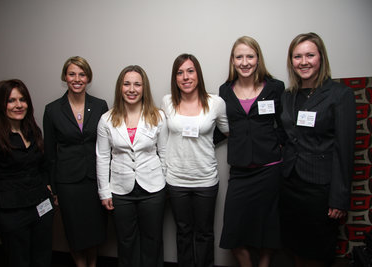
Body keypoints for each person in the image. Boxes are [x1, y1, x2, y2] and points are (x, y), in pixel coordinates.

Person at [280, 32, 356, 267]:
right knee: (293, 247)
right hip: (290, 184)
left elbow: (345, 149)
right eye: (297, 56)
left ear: (321, 57)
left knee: (317, 252)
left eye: (309, 55)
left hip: (320, 190)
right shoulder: (288, 95)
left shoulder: (339, 94)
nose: (303, 62)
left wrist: (339, 198)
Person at [215, 36, 285, 267]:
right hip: (240, 171)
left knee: (269, 227)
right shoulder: (224, 91)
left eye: (250, 56)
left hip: (270, 169)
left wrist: (280, 145)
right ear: (233, 61)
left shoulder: (275, 87)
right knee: (234, 230)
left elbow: (285, 124)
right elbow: (220, 127)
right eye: (239, 57)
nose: (245, 62)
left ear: (258, 59)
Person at [0, 79, 54, 267]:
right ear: (0, 105)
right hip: (12, 213)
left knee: (43, 258)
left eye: (22, 99)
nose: (19, 105)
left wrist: (48, 192)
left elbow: (43, 167)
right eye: (11, 100)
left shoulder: (33, 132)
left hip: (41, 208)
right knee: (19, 261)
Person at [161, 53, 229, 267]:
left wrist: (205, 140)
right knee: (183, 232)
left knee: (205, 233)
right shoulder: (168, 102)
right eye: (180, 73)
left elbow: (227, 131)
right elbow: (163, 138)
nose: (185, 77)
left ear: (198, 74)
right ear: (175, 78)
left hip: (205, 180)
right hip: (176, 180)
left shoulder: (215, 103)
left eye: (190, 71)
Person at [96, 65, 168, 267]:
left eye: (137, 84)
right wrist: (104, 192)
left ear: (144, 88)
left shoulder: (158, 116)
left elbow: (164, 153)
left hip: (153, 188)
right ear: (120, 87)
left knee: (152, 241)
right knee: (126, 241)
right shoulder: (107, 120)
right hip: (120, 190)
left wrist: (165, 183)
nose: (132, 89)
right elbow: (102, 157)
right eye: (127, 84)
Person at [43, 56, 108, 267]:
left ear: (88, 78)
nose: (77, 79)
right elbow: (50, 152)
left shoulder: (100, 106)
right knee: (74, 230)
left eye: (82, 74)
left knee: (94, 229)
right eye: (72, 74)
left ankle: (92, 264)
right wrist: (52, 187)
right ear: (65, 77)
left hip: (94, 179)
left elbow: (108, 146)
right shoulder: (52, 110)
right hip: (67, 182)